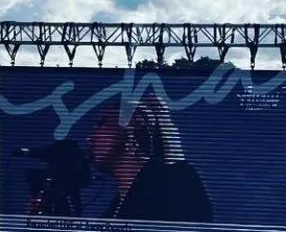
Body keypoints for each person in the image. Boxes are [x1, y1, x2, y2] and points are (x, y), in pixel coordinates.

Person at [86, 93, 213, 223]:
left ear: (136, 122)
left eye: (101, 124)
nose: (90, 138)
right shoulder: (111, 213)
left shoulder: (176, 183)